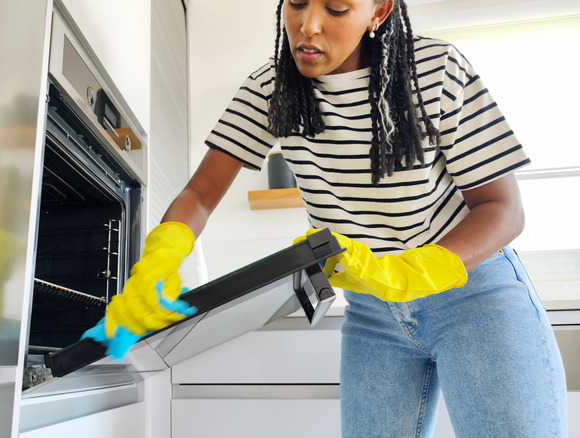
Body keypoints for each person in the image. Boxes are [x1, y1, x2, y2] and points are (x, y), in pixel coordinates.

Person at [96, 0, 568, 436]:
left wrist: (411, 273)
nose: (308, 25)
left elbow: (502, 209)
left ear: (379, 10)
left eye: (337, 8)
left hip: (474, 300)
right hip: (372, 312)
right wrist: (156, 264)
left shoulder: (435, 69)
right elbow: (201, 192)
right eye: (296, 3)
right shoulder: (271, 89)